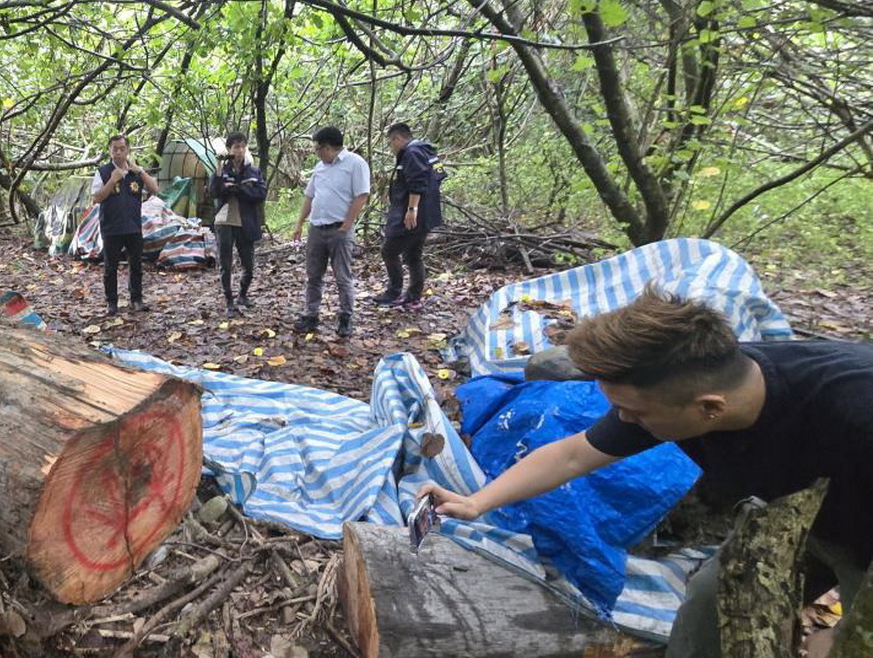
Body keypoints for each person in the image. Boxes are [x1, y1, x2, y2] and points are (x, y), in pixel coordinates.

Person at [419, 288, 873, 658]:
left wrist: (847, 640)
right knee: (708, 605)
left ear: (710, 409)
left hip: (862, 540)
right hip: (794, 514)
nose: (622, 421)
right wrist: (477, 501)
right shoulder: (680, 387)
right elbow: (574, 454)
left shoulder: (855, 412)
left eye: (630, 411)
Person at [292, 126, 370, 337]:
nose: (316, 153)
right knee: (313, 275)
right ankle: (311, 314)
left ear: (327, 147)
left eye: (317, 149)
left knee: (342, 276)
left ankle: (345, 317)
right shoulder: (320, 167)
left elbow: (361, 195)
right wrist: (299, 223)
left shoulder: (355, 163)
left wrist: (346, 225)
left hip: (339, 229)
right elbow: (310, 196)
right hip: (317, 228)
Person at [372, 123, 446, 311]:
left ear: (397, 138)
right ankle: (413, 297)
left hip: (413, 215)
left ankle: (394, 292)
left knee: (389, 250)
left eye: (391, 143)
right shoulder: (425, 150)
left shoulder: (412, 152)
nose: (391, 148)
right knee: (413, 255)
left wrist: (412, 209)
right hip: (426, 213)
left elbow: (417, 182)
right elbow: (438, 175)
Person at [91, 134, 159, 315]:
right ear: (109, 151)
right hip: (111, 228)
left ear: (128, 150)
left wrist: (141, 171)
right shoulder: (103, 172)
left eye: (122, 149)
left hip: (133, 227)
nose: (119, 153)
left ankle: (136, 299)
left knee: (136, 264)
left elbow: (155, 189)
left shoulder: (136, 173)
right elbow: (97, 198)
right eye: (115, 149)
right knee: (110, 266)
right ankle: (111, 302)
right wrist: (113, 179)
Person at [209, 131, 268, 317]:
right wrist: (219, 170)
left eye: (243, 146)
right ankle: (229, 301)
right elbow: (213, 192)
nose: (240, 150)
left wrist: (238, 189)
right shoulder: (222, 171)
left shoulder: (253, 171)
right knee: (225, 263)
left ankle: (243, 294)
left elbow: (260, 194)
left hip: (246, 222)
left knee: (249, 265)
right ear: (229, 149)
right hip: (224, 221)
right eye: (236, 147)